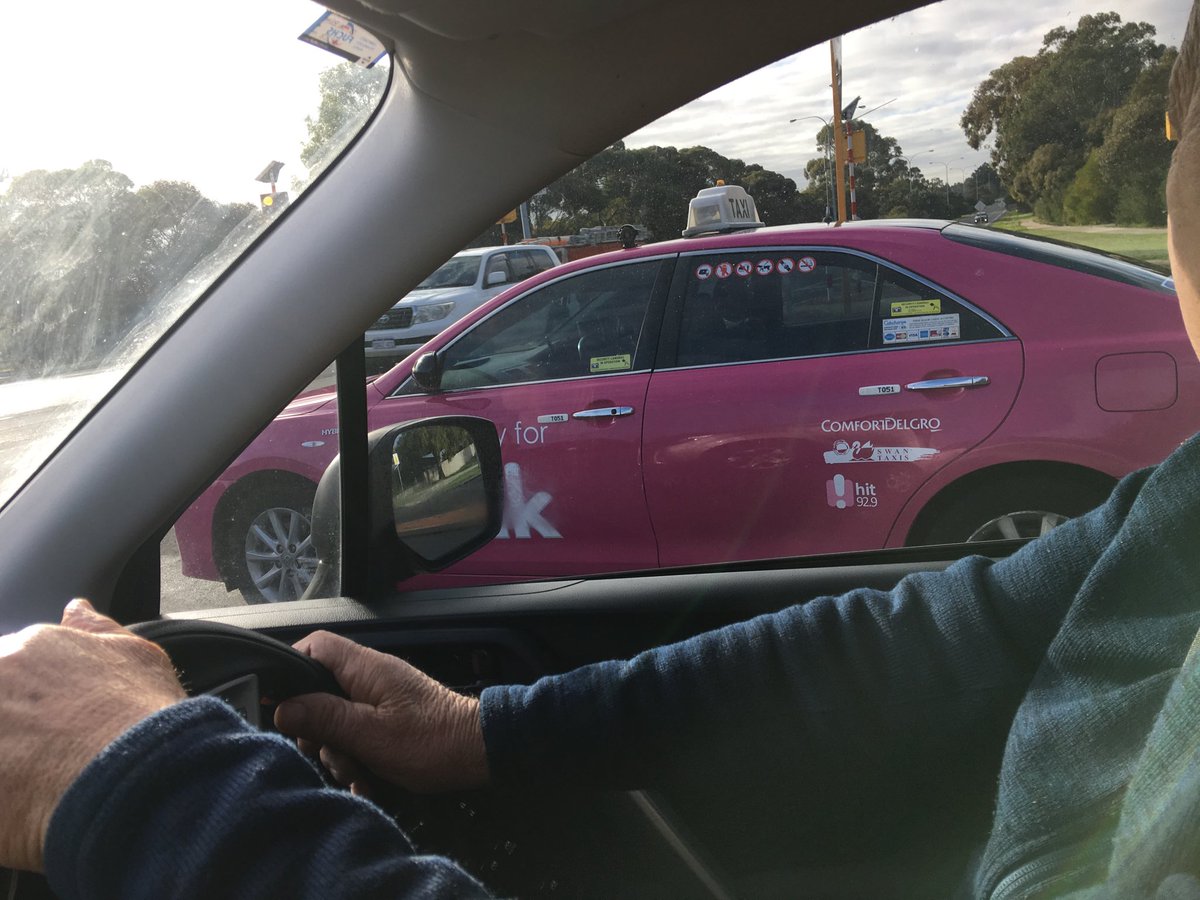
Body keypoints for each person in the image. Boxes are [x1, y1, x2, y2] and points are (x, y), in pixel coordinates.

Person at [2, 9, 1199, 896]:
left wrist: (144, 789)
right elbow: (934, 638)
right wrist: (489, 732)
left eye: (1178, 122)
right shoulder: (1178, 514)